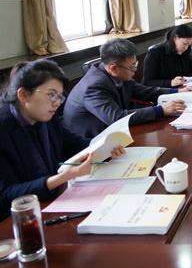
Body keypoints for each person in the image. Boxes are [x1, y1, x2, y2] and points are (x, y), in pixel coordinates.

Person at [0, 60, 125, 219]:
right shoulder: (4, 128)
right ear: (23, 94)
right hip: (17, 218)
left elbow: (75, 144)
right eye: (51, 95)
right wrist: (63, 177)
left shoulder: (47, 116)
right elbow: (7, 194)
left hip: (52, 202)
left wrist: (107, 146)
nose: (57, 103)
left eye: (60, 97)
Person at [64, 38, 190, 139]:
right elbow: (116, 117)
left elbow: (144, 91)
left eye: (136, 63)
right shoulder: (94, 86)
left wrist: (178, 91)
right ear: (114, 68)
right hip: (91, 142)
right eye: (132, 66)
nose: (135, 69)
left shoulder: (118, 74)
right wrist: (160, 110)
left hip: (114, 132)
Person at [143, 24, 192, 88]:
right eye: (185, 43)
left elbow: (191, 67)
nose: (186, 48)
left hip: (183, 88)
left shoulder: (183, 51)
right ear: (175, 37)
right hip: (165, 92)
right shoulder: (155, 53)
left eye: (189, 45)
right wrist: (171, 82)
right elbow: (147, 82)